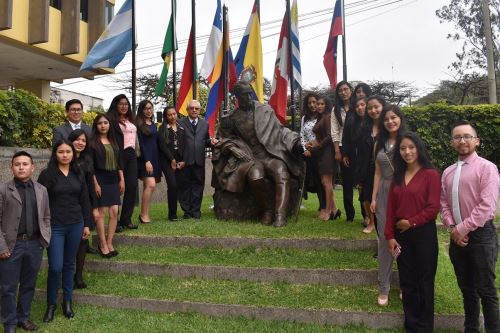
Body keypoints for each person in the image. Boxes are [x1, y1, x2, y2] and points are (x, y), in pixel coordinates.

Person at [214, 81, 304, 227]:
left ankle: (280, 215)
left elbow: (280, 130)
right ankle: (267, 210)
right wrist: (233, 148)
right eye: (244, 95)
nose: (249, 97)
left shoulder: (265, 110)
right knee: (256, 178)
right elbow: (222, 139)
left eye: (250, 93)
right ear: (237, 97)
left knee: (281, 173)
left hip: (269, 154)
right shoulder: (231, 118)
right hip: (250, 158)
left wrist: (295, 142)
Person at [440, 121, 499, 333]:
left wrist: (462, 228)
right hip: (458, 237)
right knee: (467, 289)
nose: (462, 140)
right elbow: (443, 203)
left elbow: (487, 205)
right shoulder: (447, 172)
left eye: (467, 136)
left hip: (482, 236)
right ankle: (471, 328)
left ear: (477, 141)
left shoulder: (487, 168)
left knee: (486, 290)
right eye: (457, 137)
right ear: (451, 142)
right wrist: (452, 226)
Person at [385, 132, 441, 332]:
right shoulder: (397, 176)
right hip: (401, 237)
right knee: (407, 283)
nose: (407, 152)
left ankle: (425, 328)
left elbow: (433, 207)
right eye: (402, 148)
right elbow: (390, 209)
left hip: (423, 235)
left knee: (424, 282)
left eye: (411, 147)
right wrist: (390, 236)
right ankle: (411, 326)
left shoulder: (431, 174)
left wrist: (411, 222)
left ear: (418, 148)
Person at [38, 139, 92, 322]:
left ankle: (67, 302)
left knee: (70, 265)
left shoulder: (78, 172)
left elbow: (85, 199)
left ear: (72, 153)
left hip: (76, 224)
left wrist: (86, 224)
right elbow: (40, 203)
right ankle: (51, 304)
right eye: (61, 152)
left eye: (68, 151)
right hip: (55, 227)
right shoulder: (47, 175)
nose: (65, 155)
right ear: (55, 154)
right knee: (55, 266)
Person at [0, 151, 51, 333]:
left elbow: (46, 217)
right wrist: (2, 246)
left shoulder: (41, 190)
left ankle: (23, 317)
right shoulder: (3, 190)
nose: (21, 167)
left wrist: (44, 239)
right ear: (11, 167)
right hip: (11, 246)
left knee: (29, 284)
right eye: (17, 164)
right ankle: (10, 323)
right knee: (8, 287)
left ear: (32, 167)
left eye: (25, 164)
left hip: (34, 244)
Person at [370, 103, 406, 306]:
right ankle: (383, 285)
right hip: (383, 192)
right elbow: (377, 172)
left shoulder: (408, 141)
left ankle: (405, 283)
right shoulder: (379, 143)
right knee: (385, 239)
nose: (390, 121)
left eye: (393, 117)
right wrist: (374, 198)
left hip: (403, 192)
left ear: (400, 119)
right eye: (386, 119)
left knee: (403, 238)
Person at [89, 114, 124, 258]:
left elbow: (119, 163)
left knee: (114, 212)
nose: (103, 125)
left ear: (109, 125)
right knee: (102, 213)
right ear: (96, 126)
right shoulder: (92, 143)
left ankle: (110, 242)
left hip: (113, 179)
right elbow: (90, 166)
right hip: (100, 179)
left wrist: (122, 179)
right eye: (99, 123)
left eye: (105, 123)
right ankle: (102, 244)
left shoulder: (114, 141)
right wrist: (95, 184)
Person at [179, 100, 217, 219]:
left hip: (199, 161)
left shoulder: (205, 124)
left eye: (197, 108)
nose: (194, 110)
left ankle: (196, 211)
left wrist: (210, 142)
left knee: (198, 186)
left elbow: (205, 141)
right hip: (185, 161)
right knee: (185, 187)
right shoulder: (180, 123)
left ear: (200, 110)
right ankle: (187, 211)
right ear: (187, 110)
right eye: (192, 108)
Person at [68, 129, 96, 289]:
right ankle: (68, 273)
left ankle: (78, 276)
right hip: (69, 206)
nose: (80, 143)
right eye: (77, 140)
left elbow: (90, 184)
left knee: (83, 242)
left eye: (83, 141)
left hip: (85, 205)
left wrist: (93, 206)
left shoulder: (87, 160)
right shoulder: (64, 158)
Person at [106, 94, 138, 231]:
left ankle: (126, 219)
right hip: (118, 154)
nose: (124, 106)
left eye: (126, 104)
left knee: (131, 187)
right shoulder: (110, 120)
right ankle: (116, 221)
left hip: (131, 155)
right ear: (115, 105)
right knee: (117, 188)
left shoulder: (131, 120)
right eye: (121, 104)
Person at [356, 96, 386, 235]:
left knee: (384, 198)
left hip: (386, 168)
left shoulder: (389, 125)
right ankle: (372, 222)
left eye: (376, 107)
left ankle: (384, 224)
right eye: (370, 108)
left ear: (383, 107)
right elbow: (361, 152)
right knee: (366, 197)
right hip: (367, 167)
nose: (373, 110)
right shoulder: (364, 128)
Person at [308, 95, 340, 221]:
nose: (319, 106)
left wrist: (318, 146)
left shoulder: (328, 117)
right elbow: (320, 137)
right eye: (318, 104)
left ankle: (327, 212)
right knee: (325, 182)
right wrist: (312, 144)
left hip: (327, 153)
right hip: (322, 153)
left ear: (327, 105)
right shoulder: (321, 118)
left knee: (326, 183)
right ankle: (334, 209)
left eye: (322, 104)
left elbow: (330, 136)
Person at [347, 96, 375, 233]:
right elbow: (353, 143)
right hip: (361, 163)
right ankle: (370, 221)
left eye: (363, 105)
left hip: (377, 164)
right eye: (357, 106)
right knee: (364, 196)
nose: (360, 108)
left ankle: (376, 222)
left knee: (374, 196)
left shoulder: (379, 124)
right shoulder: (356, 124)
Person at [330, 81, 355, 222]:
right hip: (342, 146)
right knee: (347, 182)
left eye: (346, 89)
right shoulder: (335, 110)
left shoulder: (358, 106)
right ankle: (349, 215)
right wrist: (337, 150)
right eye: (340, 90)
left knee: (361, 180)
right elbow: (334, 131)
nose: (343, 92)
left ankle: (366, 214)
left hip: (357, 147)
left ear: (351, 91)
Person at [158, 106, 186, 221]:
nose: (172, 116)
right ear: (166, 116)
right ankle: (172, 214)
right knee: (172, 185)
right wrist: (172, 159)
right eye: (169, 115)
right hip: (167, 161)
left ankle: (182, 211)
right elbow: (162, 146)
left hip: (180, 161)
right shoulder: (163, 128)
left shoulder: (181, 127)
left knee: (178, 186)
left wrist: (184, 160)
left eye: (174, 114)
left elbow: (185, 145)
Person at [136, 100, 161, 224]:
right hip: (145, 160)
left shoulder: (154, 124)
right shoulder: (139, 125)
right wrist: (147, 161)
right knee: (151, 184)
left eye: (150, 108)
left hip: (155, 158)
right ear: (141, 110)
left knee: (149, 186)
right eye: (145, 108)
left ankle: (145, 213)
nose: (148, 111)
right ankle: (143, 214)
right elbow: (141, 145)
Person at [299, 92, 324, 216]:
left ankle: (324, 206)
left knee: (322, 180)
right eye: (309, 103)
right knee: (310, 179)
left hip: (321, 152)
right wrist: (305, 149)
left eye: (314, 102)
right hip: (309, 153)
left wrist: (317, 146)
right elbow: (302, 136)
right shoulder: (304, 118)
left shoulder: (322, 116)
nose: (312, 105)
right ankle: (303, 202)